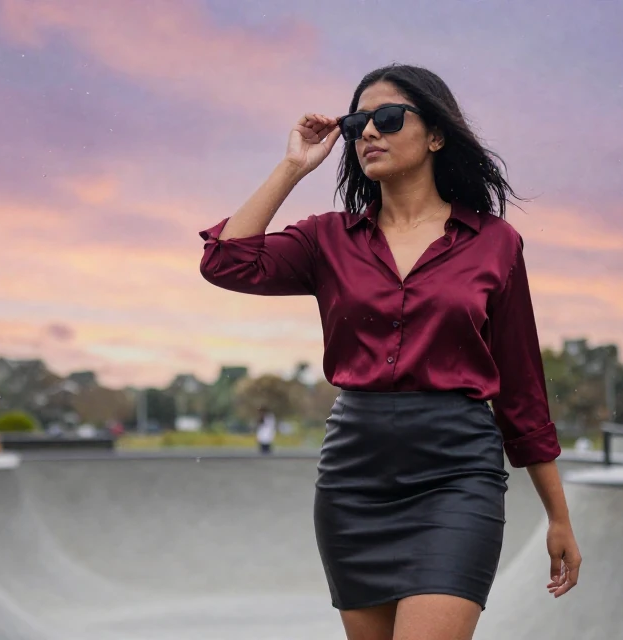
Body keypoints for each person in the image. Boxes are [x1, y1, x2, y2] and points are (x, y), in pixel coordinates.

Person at [198, 64, 582, 640]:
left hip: (457, 474)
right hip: (355, 478)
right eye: (357, 122)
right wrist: (294, 166)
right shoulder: (326, 239)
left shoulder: (494, 243)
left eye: (387, 118)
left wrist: (558, 515)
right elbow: (226, 262)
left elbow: (523, 386)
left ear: (435, 134)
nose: (367, 133)